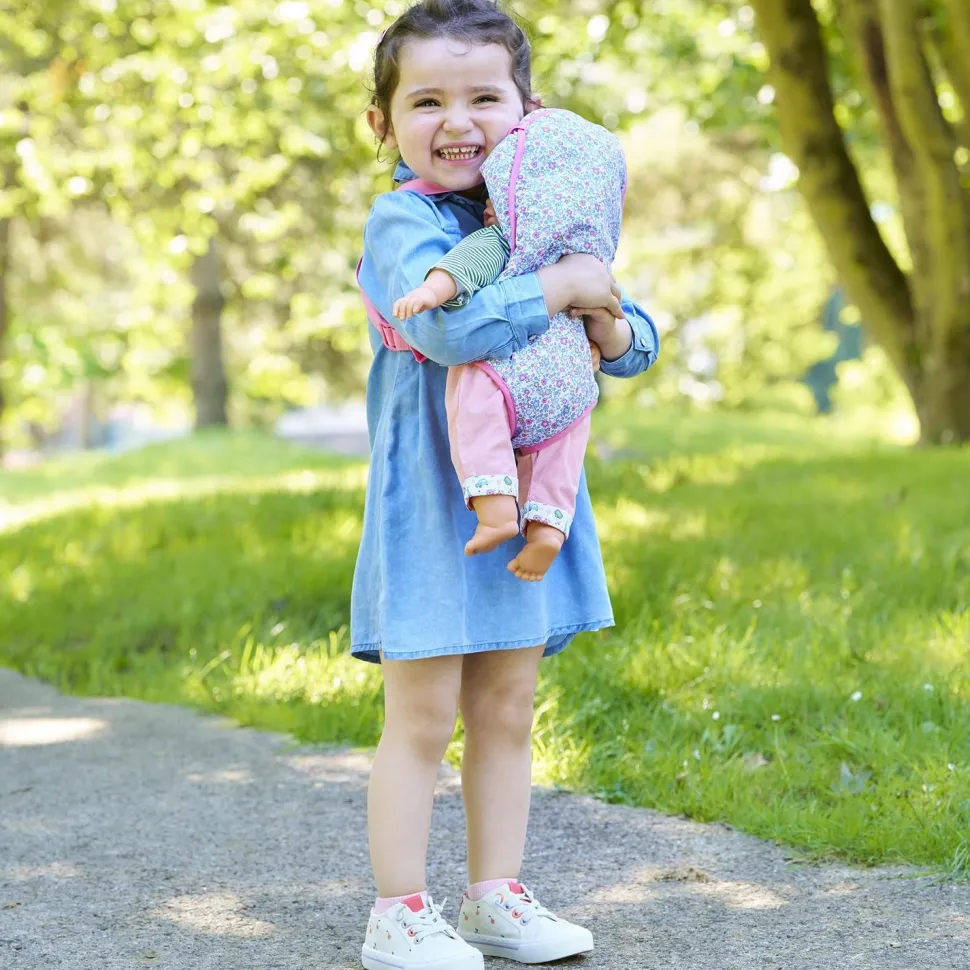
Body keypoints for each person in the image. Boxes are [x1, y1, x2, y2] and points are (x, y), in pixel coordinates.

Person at [352, 2, 659, 968]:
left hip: (530, 498)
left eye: (485, 97)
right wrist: (562, 290)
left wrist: (609, 324)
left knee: (508, 707)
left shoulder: (544, 203)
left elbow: (631, 331)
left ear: (526, 108)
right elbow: (451, 331)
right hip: (436, 505)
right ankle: (398, 911)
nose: (458, 122)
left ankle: (494, 897)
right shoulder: (403, 220)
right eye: (427, 100)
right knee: (425, 714)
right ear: (384, 124)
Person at [391, 106, 628, 582]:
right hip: (571, 384)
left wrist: (428, 291)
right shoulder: (590, 255)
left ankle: (497, 509)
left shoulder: (503, 238)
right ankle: (547, 533)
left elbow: (461, 271)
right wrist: (604, 325)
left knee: (476, 401)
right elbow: (622, 316)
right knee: (561, 455)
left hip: (509, 375)